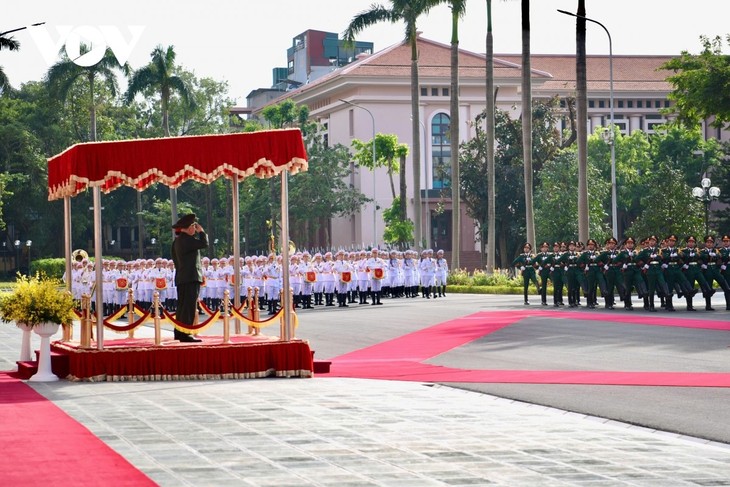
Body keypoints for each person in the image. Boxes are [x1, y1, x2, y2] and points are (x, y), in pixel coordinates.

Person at [171, 213, 208, 342]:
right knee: (189, 307)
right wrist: (202, 232)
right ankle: (185, 333)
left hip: (183, 277)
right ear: (188, 227)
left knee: (183, 306)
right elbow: (204, 244)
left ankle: (180, 332)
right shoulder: (186, 239)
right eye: (193, 226)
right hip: (189, 277)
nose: (195, 229)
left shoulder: (178, 240)